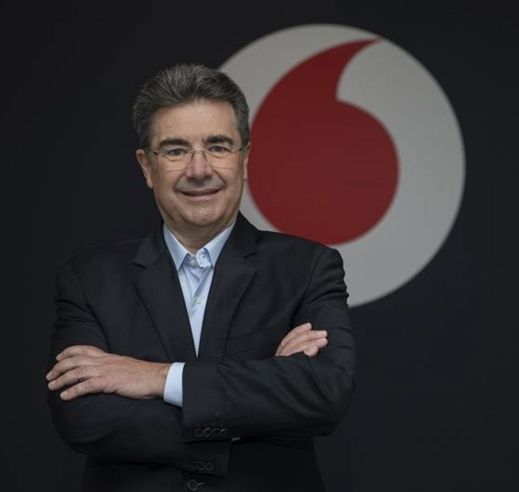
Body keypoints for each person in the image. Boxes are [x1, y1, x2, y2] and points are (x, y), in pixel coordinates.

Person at [46, 64, 356, 492]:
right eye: (175, 150)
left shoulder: (307, 268)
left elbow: (323, 392)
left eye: (218, 146)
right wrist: (261, 401)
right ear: (146, 167)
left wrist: (157, 378)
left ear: (245, 159)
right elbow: (84, 417)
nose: (198, 169)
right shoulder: (89, 280)